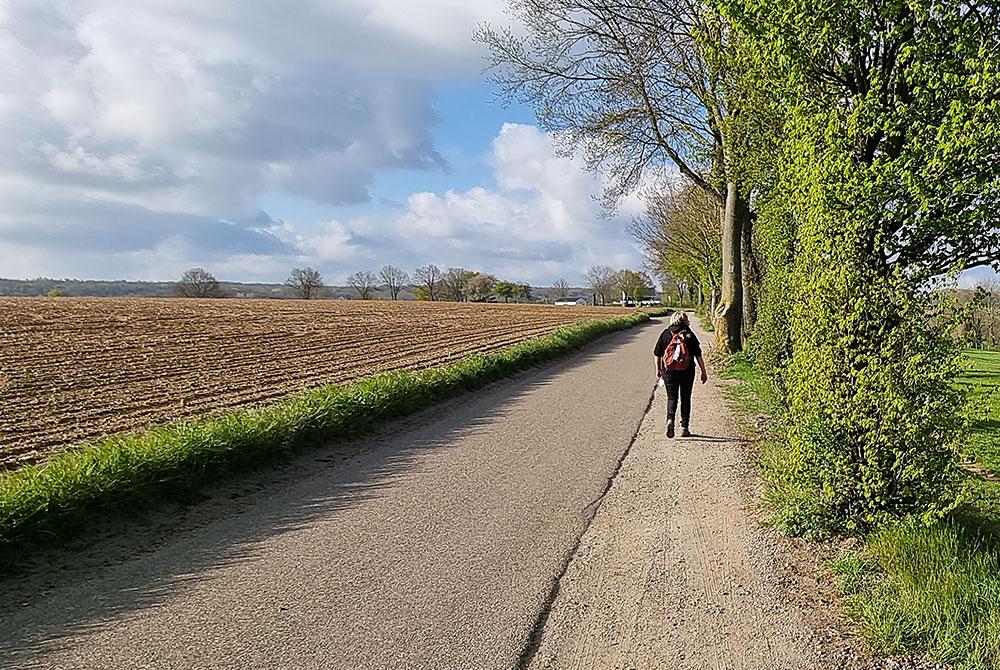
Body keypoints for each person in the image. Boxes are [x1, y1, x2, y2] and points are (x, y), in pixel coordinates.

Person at [653, 311, 708, 438]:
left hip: (669, 371)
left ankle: (670, 420)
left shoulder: (666, 334)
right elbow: (698, 355)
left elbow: (658, 353)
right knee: (685, 398)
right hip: (687, 371)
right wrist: (704, 372)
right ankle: (684, 427)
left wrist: (659, 369)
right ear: (686, 320)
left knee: (672, 398)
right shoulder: (689, 335)